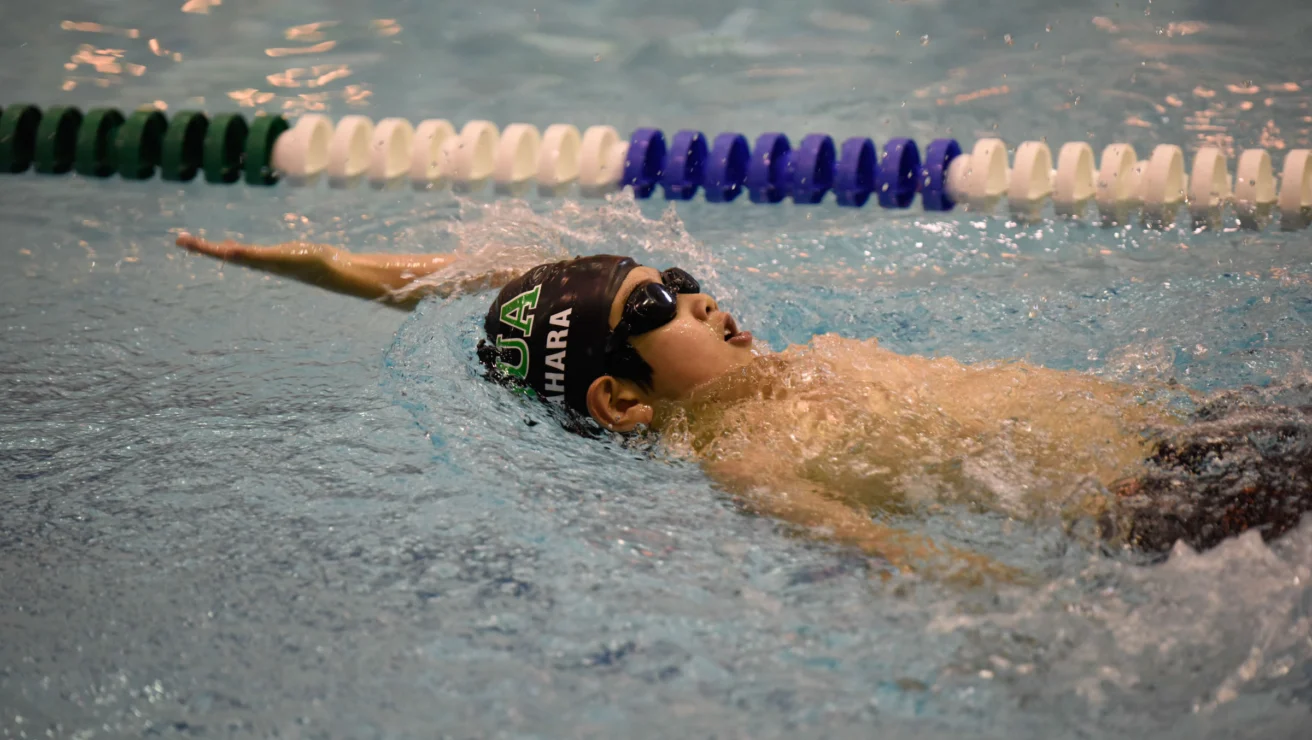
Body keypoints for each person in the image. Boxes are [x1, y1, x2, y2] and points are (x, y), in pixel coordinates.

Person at [174, 234, 1312, 584]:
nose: (703, 300)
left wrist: (323, 261)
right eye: (660, 303)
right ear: (621, 398)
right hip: (1163, 507)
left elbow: (504, 271)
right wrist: (1043, 594)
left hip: (1201, 421)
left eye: (682, 279)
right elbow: (894, 556)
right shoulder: (746, 453)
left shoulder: (768, 376)